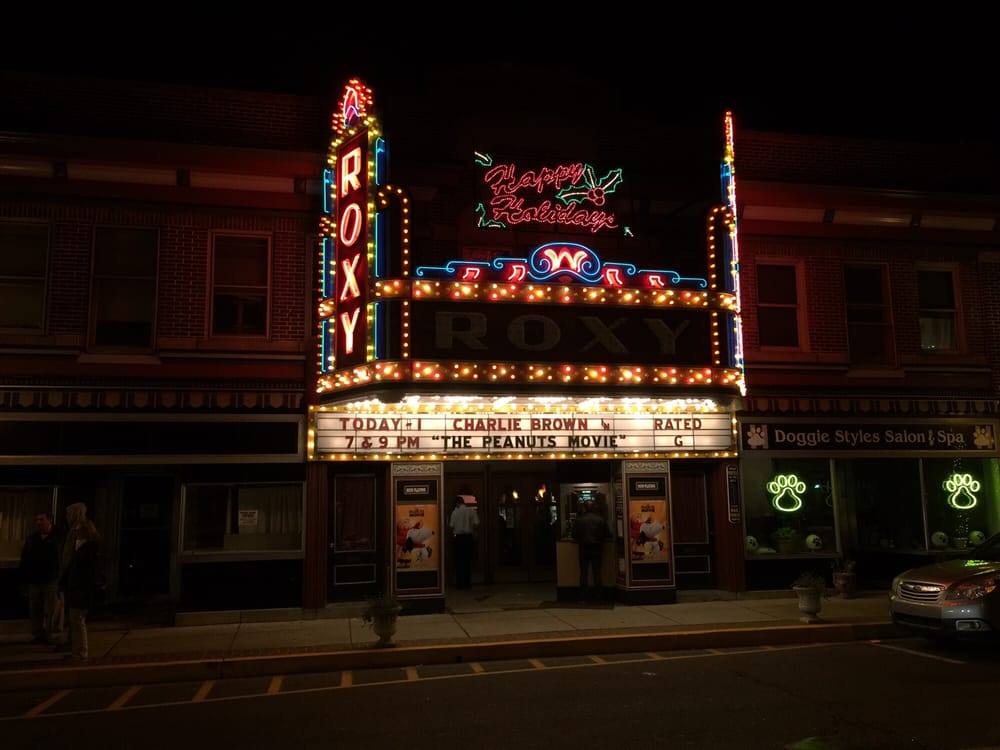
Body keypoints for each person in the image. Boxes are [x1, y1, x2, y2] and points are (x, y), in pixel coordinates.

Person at [57, 502, 102, 662]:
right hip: (76, 589)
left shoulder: (87, 550)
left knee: (77, 621)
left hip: (80, 591)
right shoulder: (83, 549)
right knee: (74, 620)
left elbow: (86, 573)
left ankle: (80, 653)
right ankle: (76, 650)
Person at [18, 511, 62, 644]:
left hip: (51, 578)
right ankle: (38, 633)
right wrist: (24, 578)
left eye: (41, 520)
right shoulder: (33, 538)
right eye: (37, 520)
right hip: (34, 579)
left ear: (49, 520)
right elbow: (25, 558)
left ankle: (50, 634)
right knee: (35, 608)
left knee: (51, 608)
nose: (38, 523)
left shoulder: (57, 537)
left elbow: (60, 558)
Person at [572, 500, 612, 603]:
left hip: (584, 549)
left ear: (584, 508)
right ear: (594, 507)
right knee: (597, 573)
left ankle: (583, 597)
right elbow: (607, 534)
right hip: (597, 549)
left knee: (583, 573)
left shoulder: (579, 520)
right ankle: (599, 597)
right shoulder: (600, 519)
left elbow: (574, 535)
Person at [448, 495, 479, 589]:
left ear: (457, 503)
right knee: (467, 561)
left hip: (458, 538)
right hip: (468, 538)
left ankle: (460, 584)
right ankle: (467, 584)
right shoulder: (471, 511)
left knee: (459, 561)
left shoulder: (455, 512)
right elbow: (477, 522)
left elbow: (451, 525)